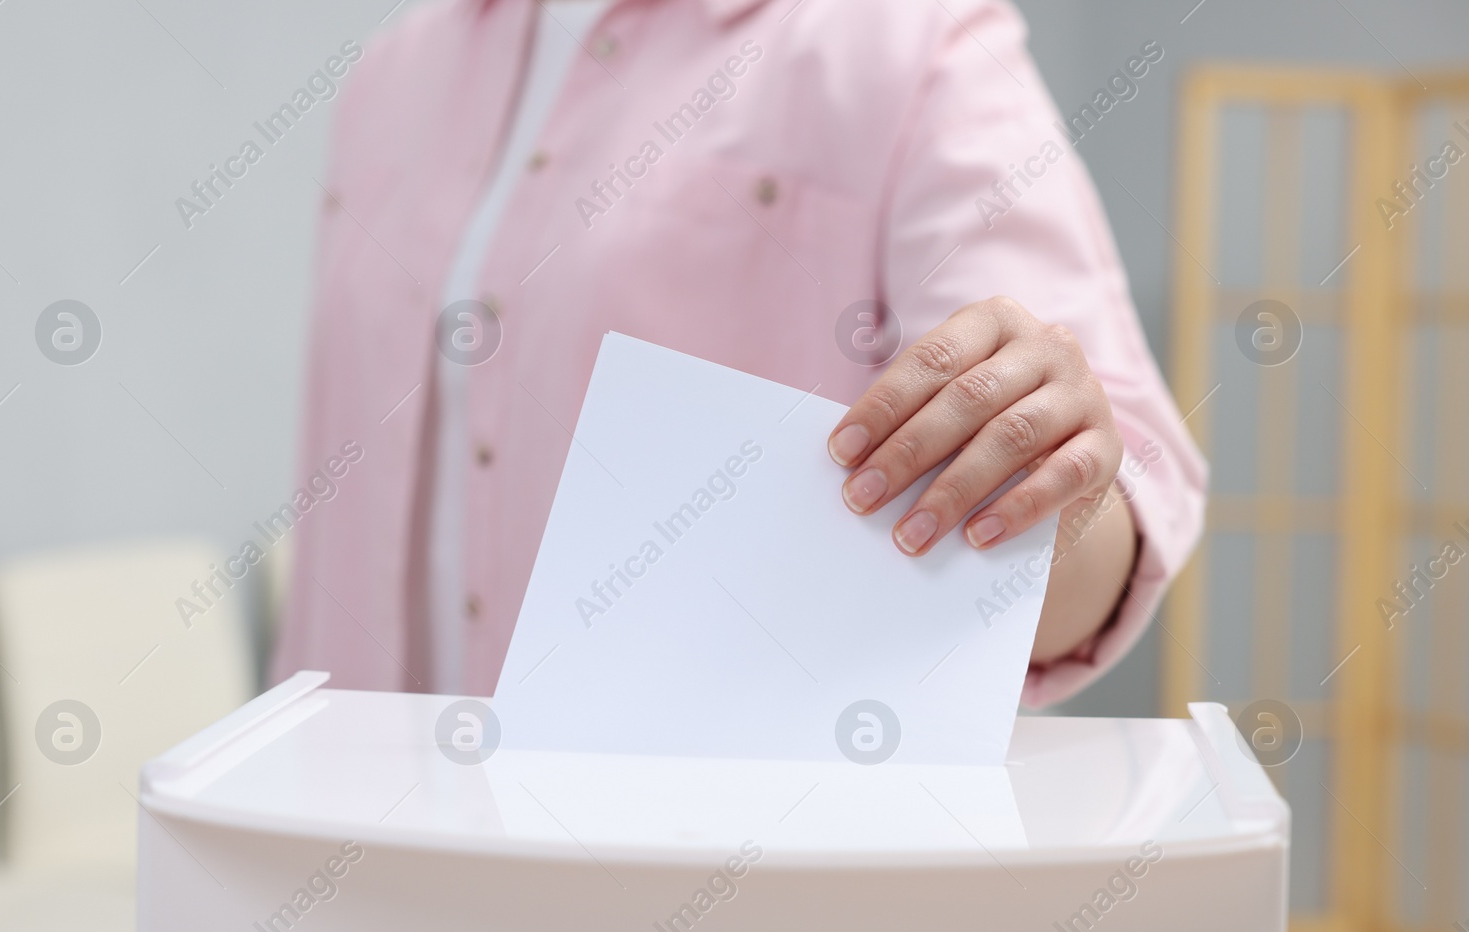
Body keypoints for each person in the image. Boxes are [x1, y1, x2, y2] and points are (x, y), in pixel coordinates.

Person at [271, 0, 1207, 709]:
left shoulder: (903, 41)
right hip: (360, 862)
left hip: (708, 879)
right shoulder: (394, 72)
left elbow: (1101, 489)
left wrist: (1057, 488)